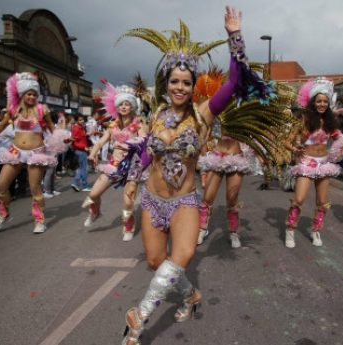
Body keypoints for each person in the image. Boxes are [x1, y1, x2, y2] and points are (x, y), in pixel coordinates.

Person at [117, 7, 275, 344]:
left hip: (184, 201)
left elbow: (234, 81)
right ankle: (190, 295)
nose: (180, 86)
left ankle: (139, 317)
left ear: (193, 87)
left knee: (184, 254)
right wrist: (132, 180)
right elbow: (146, 150)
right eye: (174, 81)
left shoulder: (204, 115)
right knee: (157, 261)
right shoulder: (157, 115)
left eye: (186, 82)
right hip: (152, 200)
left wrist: (235, 34)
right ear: (167, 82)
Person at [0, 72, 70, 234]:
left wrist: (62, 139)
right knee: (0, 186)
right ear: (22, 94)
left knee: (35, 188)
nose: (32, 97)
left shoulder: (42, 109)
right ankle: (4, 215)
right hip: (16, 151)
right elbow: (1, 126)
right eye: (29, 94)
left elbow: (52, 128)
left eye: (34, 94)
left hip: (36, 152)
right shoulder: (13, 109)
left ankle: (39, 220)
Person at [284, 78, 343, 248]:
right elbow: (287, 141)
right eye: (318, 101)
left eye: (324, 101)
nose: (321, 104)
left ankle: (315, 230)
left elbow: (340, 138)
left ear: (328, 103)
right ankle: (290, 229)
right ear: (313, 102)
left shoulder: (330, 122)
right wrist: (295, 150)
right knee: (299, 198)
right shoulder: (304, 120)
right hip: (306, 163)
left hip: (324, 164)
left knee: (321, 202)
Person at [82, 84, 144, 242]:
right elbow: (100, 142)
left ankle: (128, 228)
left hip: (132, 166)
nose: (124, 107)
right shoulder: (112, 125)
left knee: (128, 201)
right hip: (113, 164)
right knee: (93, 194)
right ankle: (95, 213)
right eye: (121, 104)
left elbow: (144, 140)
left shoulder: (139, 123)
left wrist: (129, 145)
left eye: (127, 103)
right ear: (117, 106)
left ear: (132, 106)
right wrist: (93, 154)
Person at [70, 114, 91, 192]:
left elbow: (81, 140)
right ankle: (84, 185)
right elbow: (74, 141)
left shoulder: (81, 128)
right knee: (84, 168)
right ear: (76, 121)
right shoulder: (77, 128)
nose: (82, 121)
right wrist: (84, 147)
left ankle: (76, 183)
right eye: (80, 120)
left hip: (82, 150)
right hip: (80, 150)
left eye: (82, 119)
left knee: (83, 167)